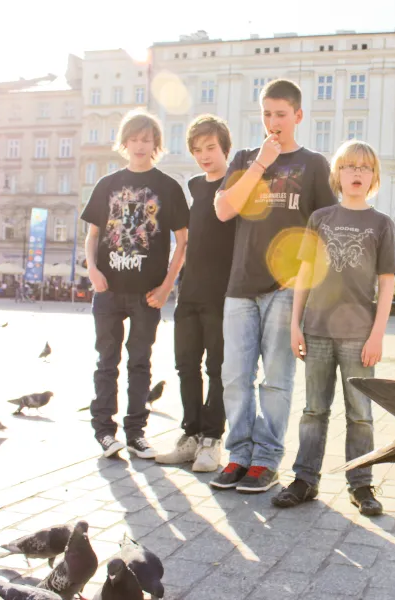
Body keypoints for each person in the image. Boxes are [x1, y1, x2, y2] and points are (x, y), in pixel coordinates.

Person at [211, 79, 337, 493]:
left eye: (280, 114)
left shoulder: (314, 164)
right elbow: (224, 209)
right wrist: (261, 164)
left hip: (287, 288)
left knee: (276, 379)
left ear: (298, 115)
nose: (273, 122)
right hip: (240, 286)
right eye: (266, 114)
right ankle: (238, 455)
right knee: (234, 376)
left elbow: (325, 230)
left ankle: (265, 460)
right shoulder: (248, 158)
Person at [272, 140, 395, 515]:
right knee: (313, 410)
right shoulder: (321, 219)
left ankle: (361, 485)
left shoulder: (381, 224)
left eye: (364, 168)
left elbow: (388, 282)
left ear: (374, 176)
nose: (356, 174)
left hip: (360, 334)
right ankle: (305, 479)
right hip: (317, 330)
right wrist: (295, 324)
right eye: (349, 167)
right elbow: (305, 275)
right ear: (337, 174)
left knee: (360, 413)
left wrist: (378, 334)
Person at [82, 108, 190, 459]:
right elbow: (92, 235)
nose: (140, 145)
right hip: (108, 291)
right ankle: (104, 432)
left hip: (147, 294)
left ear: (156, 145)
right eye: (135, 139)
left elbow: (183, 241)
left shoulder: (167, 187)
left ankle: (136, 433)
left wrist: (166, 287)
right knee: (106, 361)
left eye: (147, 139)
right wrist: (93, 271)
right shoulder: (107, 184)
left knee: (140, 362)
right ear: (125, 142)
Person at [156, 115, 236, 472]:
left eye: (211, 148)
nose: (204, 155)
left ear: (224, 149)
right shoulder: (193, 186)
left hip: (222, 296)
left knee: (217, 369)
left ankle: (211, 440)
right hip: (188, 295)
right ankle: (189, 436)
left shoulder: (236, 187)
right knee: (186, 366)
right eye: (198, 149)